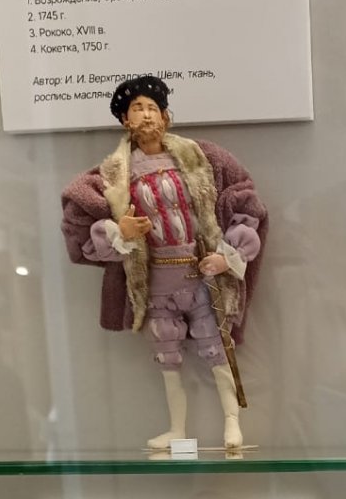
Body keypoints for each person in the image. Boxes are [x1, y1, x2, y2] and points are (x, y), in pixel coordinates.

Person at [61, 75, 267, 449]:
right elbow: (81, 225)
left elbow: (244, 204)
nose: (146, 115)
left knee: (217, 350)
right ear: (125, 120)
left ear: (165, 116)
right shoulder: (112, 175)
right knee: (167, 359)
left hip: (201, 275)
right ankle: (177, 430)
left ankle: (232, 424)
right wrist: (121, 231)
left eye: (152, 108)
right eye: (137, 109)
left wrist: (226, 256)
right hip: (156, 283)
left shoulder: (203, 159)